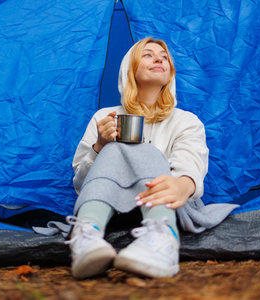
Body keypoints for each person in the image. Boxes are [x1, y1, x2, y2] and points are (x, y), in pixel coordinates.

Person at [65, 37, 209, 279]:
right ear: (130, 68)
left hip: (169, 204)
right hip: (111, 206)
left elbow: (191, 166)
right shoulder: (104, 117)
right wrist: (99, 146)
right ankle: (87, 236)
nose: (159, 59)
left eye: (164, 57)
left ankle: (164, 238)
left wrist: (183, 184)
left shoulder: (186, 121)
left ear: (170, 72)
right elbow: (81, 185)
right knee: (112, 148)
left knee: (145, 149)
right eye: (148, 54)